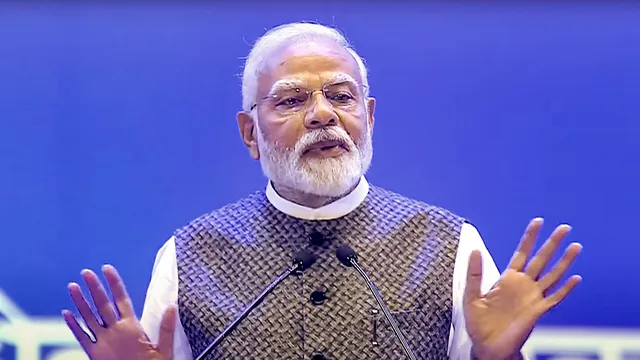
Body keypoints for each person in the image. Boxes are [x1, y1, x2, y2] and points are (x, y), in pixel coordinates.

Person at [62, 22, 582, 360]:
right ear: (250, 133)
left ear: (369, 117)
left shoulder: (451, 245)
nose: (323, 114)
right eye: (292, 100)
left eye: (341, 95)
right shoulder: (189, 255)